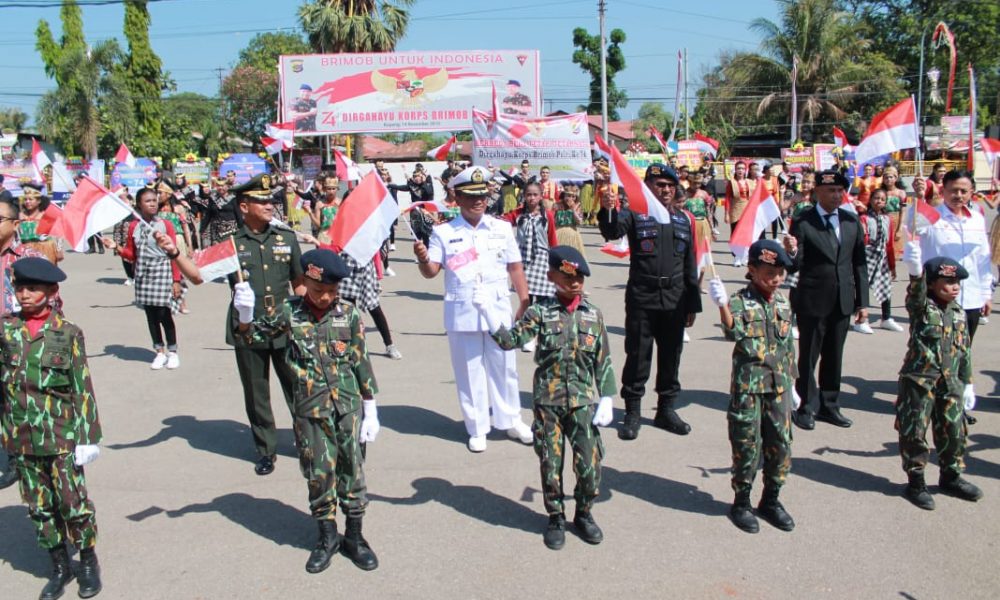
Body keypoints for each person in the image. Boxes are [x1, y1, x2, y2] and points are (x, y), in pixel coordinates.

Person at [233, 248, 381, 572]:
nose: (325, 297)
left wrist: (371, 406)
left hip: (347, 408)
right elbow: (253, 337)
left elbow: (360, 360)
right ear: (305, 283)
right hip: (310, 412)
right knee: (318, 474)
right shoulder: (289, 312)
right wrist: (244, 317)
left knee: (353, 471)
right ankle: (326, 538)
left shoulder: (349, 314)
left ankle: (355, 537)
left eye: (331, 290)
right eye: (318, 290)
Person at [477, 246, 615, 549]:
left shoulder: (593, 315)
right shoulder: (541, 312)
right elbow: (512, 340)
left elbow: (602, 359)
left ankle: (584, 513)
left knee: (590, 465)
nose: (575, 282)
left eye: (579, 276)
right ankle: (555, 516)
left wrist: (607, 397)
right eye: (568, 276)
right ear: (553, 276)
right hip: (548, 404)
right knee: (551, 464)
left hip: (582, 403)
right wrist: (489, 315)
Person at [0, 258, 103, 599]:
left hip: (60, 435)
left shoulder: (67, 332)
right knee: (39, 506)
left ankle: (87, 562)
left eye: (32, 289)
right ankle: (59, 565)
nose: (24, 295)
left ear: (51, 292)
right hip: (22, 436)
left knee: (73, 504)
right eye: (19, 288)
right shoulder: (6, 330)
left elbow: (81, 387)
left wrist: (88, 437)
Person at [413, 166, 534, 452]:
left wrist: (524, 301)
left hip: (498, 309)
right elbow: (431, 272)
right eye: (470, 196)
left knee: (505, 368)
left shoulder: (502, 228)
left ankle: (511, 419)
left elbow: (514, 267)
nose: (478, 201)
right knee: (470, 373)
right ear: (457, 197)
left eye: (482, 195)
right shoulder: (443, 232)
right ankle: (477, 427)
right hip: (463, 310)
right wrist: (421, 258)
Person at [598, 163, 702, 440]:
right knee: (638, 355)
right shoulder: (635, 215)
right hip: (643, 297)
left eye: (669, 185)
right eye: (659, 185)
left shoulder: (683, 220)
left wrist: (692, 303)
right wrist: (609, 207)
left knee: (671, 356)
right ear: (648, 188)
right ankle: (633, 411)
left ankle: (666, 409)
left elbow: (689, 264)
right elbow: (611, 231)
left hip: (675, 298)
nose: (665, 189)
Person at [708, 240, 798, 534]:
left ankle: (771, 499)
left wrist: (793, 384)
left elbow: (788, 347)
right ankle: (742, 501)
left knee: (781, 445)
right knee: (747, 446)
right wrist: (722, 305)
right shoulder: (739, 301)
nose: (776, 278)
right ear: (752, 269)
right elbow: (732, 332)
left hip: (780, 387)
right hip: (749, 388)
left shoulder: (783, 302)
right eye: (769, 272)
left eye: (780, 272)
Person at [227, 174, 305, 476]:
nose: (270, 204)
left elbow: (299, 283)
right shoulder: (231, 245)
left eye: (271, 199)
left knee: (297, 386)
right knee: (256, 391)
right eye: (261, 201)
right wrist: (173, 251)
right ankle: (265, 449)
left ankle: (306, 440)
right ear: (244, 206)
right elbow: (197, 274)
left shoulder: (286, 238)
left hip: (284, 323)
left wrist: (305, 319)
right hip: (248, 325)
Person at [895, 246, 982, 509]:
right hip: (920, 382)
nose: (954, 287)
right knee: (915, 433)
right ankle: (916, 481)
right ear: (932, 284)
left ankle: (951, 475)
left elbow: (964, 349)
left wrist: (967, 383)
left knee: (953, 431)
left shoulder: (958, 313)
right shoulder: (923, 308)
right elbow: (915, 296)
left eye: (957, 282)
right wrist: (914, 272)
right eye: (948, 282)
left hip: (950, 382)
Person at [786, 169, 869, 430]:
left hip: (842, 298)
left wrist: (862, 302)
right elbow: (794, 265)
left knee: (834, 354)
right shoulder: (804, 220)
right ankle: (806, 406)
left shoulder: (850, 221)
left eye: (839, 191)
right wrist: (791, 251)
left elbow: (859, 264)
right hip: (812, 298)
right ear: (817, 192)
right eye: (830, 190)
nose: (836, 195)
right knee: (809, 355)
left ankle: (830, 405)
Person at [102, 188, 184, 370]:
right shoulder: (134, 226)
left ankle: (173, 352)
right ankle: (159, 351)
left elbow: (174, 254)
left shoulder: (165, 224)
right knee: (151, 315)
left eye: (154, 200)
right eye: (148, 201)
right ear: (139, 204)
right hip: (143, 275)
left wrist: (176, 280)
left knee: (164, 314)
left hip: (162, 271)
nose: (153, 203)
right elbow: (132, 254)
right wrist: (116, 246)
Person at [0, 198, 50, 492]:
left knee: (20, 404)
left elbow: (50, 307)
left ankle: (24, 459)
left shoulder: (28, 258)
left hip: (21, 347)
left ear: (15, 224)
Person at [916, 170, 993, 341]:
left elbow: (983, 260)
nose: (958, 195)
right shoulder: (932, 216)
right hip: (939, 301)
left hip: (971, 299)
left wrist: (986, 294)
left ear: (971, 192)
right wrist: (920, 198)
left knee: (964, 354)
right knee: (939, 355)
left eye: (964, 191)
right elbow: (914, 226)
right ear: (943, 191)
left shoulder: (977, 220)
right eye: (953, 190)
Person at [725, 161, 755, 265]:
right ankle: (736, 256)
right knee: (735, 233)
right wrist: (726, 214)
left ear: (745, 170)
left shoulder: (750, 182)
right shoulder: (731, 182)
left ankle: (745, 256)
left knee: (746, 234)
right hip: (735, 209)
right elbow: (728, 198)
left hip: (748, 209)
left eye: (742, 168)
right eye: (738, 168)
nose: (740, 170)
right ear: (735, 170)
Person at [553, 184, 586, 255]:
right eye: (568, 196)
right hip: (558, 232)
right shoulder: (557, 205)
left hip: (572, 233)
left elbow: (579, 221)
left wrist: (573, 210)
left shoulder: (578, 206)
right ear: (564, 196)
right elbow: (552, 220)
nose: (570, 198)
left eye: (573, 196)